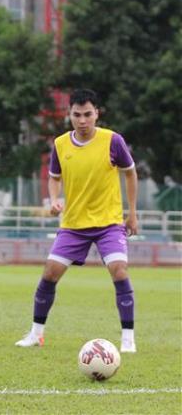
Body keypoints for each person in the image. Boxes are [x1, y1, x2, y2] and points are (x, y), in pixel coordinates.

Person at [15, 89, 138, 353]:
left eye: (88, 114)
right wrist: (54, 199)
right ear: (69, 114)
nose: (82, 121)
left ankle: (128, 340)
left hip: (108, 223)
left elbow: (130, 173)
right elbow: (54, 177)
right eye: (76, 115)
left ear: (97, 114)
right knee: (50, 273)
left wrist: (132, 213)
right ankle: (36, 334)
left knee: (119, 270)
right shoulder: (60, 144)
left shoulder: (113, 141)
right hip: (73, 225)